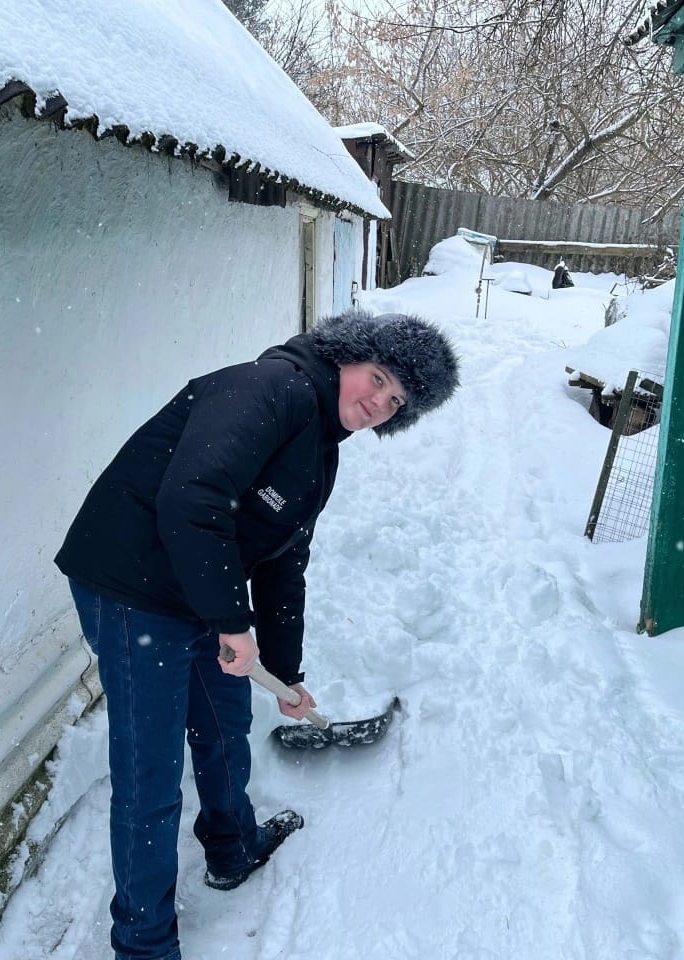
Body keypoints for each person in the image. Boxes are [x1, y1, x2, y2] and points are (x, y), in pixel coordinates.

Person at [55, 308, 459, 960]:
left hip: (193, 586)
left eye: (397, 399)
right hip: (130, 588)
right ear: (346, 354)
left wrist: (286, 668)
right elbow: (192, 497)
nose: (380, 402)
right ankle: (144, 945)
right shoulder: (271, 387)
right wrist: (229, 622)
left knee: (222, 721)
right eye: (378, 377)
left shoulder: (322, 449)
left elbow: (282, 562)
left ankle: (231, 847)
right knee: (149, 778)